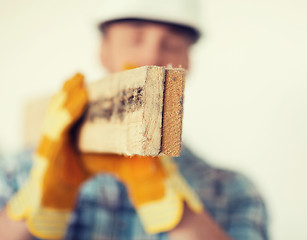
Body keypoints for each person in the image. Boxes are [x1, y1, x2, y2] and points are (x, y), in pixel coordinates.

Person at [0, 0, 269, 239]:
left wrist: (174, 207)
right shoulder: (15, 173)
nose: (152, 57)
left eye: (172, 44)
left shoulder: (232, 192)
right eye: (136, 38)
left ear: (187, 61)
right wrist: (37, 195)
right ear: (104, 51)